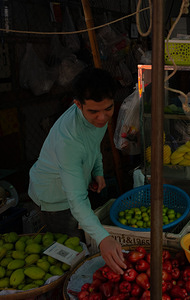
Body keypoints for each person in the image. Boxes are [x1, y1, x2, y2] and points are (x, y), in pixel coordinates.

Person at [28, 68, 127, 275]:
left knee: (82, 239)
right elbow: (76, 201)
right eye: (93, 112)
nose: (102, 118)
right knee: (70, 256)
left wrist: (97, 171)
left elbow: (94, 145)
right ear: (78, 105)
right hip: (53, 199)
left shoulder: (96, 117)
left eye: (108, 109)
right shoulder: (68, 141)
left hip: (73, 189)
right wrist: (103, 239)